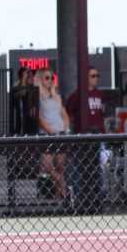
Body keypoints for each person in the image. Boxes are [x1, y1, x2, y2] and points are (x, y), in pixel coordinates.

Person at [64, 66, 109, 210]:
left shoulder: (100, 94)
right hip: (82, 136)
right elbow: (68, 114)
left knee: (100, 168)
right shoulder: (76, 95)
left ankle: (99, 198)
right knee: (80, 168)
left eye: (97, 75)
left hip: (99, 135)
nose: (96, 78)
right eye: (93, 76)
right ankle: (80, 198)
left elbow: (103, 112)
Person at [34, 67, 71, 206]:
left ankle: (60, 196)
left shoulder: (56, 96)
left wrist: (66, 130)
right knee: (48, 166)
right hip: (47, 135)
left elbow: (64, 115)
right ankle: (64, 189)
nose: (50, 81)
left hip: (60, 134)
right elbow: (40, 118)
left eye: (51, 78)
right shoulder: (37, 97)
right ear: (40, 80)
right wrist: (51, 131)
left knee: (60, 166)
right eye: (46, 78)